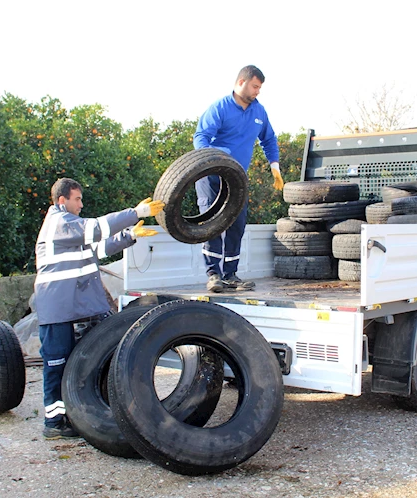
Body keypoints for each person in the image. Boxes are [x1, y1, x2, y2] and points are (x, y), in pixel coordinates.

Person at [33, 178, 163, 439]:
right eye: (77, 199)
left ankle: (75, 415)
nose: (81, 205)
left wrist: (130, 236)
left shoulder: (70, 229)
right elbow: (96, 228)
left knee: (79, 364)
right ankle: (53, 422)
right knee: (57, 364)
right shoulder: (59, 223)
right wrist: (135, 213)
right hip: (58, 309)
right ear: (62, 201)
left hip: (74, 307)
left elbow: (99, 248)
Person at [194, 64, 284, 293]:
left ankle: (230, 274)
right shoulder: (221, 108)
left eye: (260, 87)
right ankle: (213, 275)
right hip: (212, 176)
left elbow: (269, 140)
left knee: (236, 224)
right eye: (255, 86)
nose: (258, 91)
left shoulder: (259, 112)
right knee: (211, 224)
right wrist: (210, 161)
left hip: (237, 178)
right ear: (241, 82)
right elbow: (201, 136)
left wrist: (275, 167)